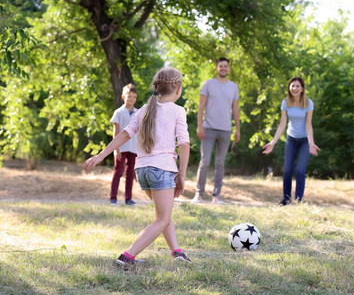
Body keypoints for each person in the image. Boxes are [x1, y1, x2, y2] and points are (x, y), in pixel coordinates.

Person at [83, 67, 192, 265]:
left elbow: (124, 134)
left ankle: (176, 252)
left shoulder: (145, 109)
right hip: (162, 169)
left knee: (163, 215)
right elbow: (184, 144)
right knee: (162, 218)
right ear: (178, 88)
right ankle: (128, 256)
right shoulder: (177, 110)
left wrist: (101, 155)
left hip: (142, 171)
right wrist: (182, 175)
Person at [262, 77, 320, 205]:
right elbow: (282, 124)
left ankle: (298, 201)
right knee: (287, 170)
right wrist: (272, 142)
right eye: (292, 86)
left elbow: (308, 125)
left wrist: (311, 143)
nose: (295, 88)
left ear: (302, 88)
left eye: (297, 86)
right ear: (289, 88)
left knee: (300, 170)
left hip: (305, 140)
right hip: (291, 139)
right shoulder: (285, 102)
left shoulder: (308, 103)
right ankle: (286, 199)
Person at [191, 57, 240, 204]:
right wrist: (200, 125)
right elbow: (201, 106)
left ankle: (216, 195)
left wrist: (237, 129)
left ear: (229, 69)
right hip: (208, 128)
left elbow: (235, 109)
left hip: (225, 130)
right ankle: (199, 194)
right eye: (221, 66)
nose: (223, 68)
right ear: (216, 68)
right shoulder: (208, 84)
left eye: (226, 66)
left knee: (220, 162)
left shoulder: (233, 87)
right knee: (205, 161)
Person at [109, 84, 138, 206]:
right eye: (129, 96)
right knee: (118, 172)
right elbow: (115, 132)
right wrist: (116, 148)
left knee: (130, 174)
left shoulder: (138, 113)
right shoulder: (119, 112)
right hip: (121, 147)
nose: (131, 99)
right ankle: (113, 197)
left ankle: (128, 198)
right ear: (123, 97)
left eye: (134, 97)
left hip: (133, 148)